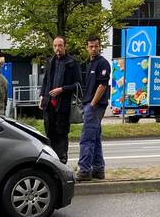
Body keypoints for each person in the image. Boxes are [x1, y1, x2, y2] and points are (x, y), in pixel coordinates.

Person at [38, 36, 80, 164]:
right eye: (55, 46)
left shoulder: (72, 63)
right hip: (49, 104)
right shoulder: (50, 62)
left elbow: (78, 84)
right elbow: (46, 81)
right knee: (49, 132)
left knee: (61, 133)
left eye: (60, 45)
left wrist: (62, 89)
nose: (57, 48)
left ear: (65, 46)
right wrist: (42, 96)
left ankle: (62, 160)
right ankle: (52, 160)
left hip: (63, 105)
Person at [76, 35, 111, 180]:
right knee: (95, 139)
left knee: (86, 139)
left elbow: (102, 85)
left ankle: (84, 170)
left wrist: (91, 104)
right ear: (87, 48)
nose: (94, 49)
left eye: (96, 46)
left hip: (95, 106)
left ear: (99, 46)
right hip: (91, 105)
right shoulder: (90, 64)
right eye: (91, 46)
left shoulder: (103, 63)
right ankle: (98, 169)